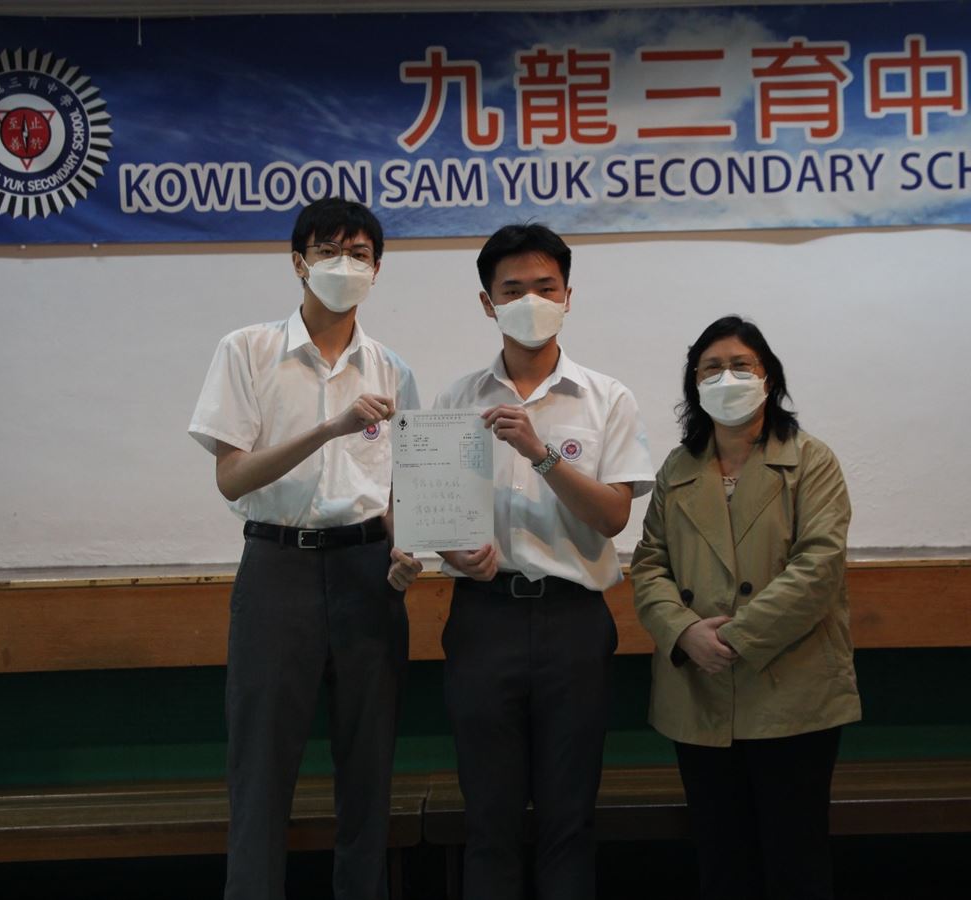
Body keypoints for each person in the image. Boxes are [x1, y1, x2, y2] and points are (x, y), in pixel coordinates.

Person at [188, 197, 423, 900]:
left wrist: (407, 548)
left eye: (359, 254)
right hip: (277, 567)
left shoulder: (392, 368)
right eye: (328, 251)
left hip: (367, 573)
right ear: (298, 263)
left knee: (368, 769)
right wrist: (329, 428)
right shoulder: (248, 350)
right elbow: (232, 478)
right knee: (261, 769)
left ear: (377, 270)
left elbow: (401, 488)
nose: (344, 265)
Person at [433, 223, 655, 900]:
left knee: (569, 820)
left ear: (567, 297)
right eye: (512, 290)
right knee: (489, 822)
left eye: (545, 287)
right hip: (483, 619)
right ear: (487, 303)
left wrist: (540, 453)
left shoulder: (607, 397)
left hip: (573, 623)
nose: (530, 301)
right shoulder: (456, 400)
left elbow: (613, 516)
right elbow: (436, 515)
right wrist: (453, 549)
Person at [630, 315, 861, 900]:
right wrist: (685, 633)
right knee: (722, 858)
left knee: (795, 859)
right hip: (699, 688)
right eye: (711, 368)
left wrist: (734, 637)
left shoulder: (811, 460)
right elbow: (650, 565)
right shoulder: (677, 469)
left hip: (791, 689)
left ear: (768, 377)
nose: (726, 378)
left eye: (741, 365)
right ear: (694, 383)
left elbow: (819, 566)